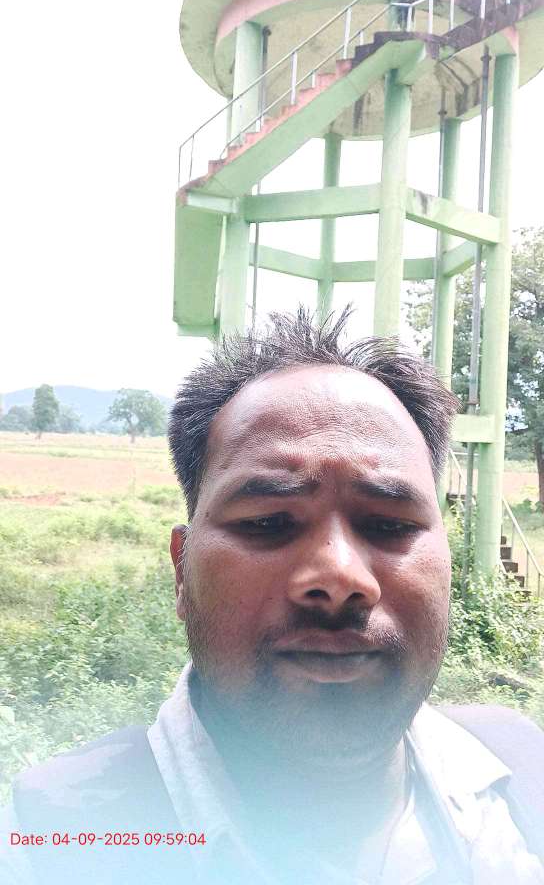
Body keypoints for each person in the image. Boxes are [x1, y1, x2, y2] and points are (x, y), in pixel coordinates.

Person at [2, 306, 544, 885]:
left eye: (389, 525)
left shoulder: (522, 774)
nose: (340, 576)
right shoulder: (52, 843)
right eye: (266, 523)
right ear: (182, 571)